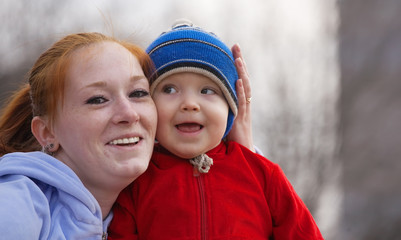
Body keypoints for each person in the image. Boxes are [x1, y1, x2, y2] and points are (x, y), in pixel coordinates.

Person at [108, 21, 323, 239]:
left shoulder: (262, 175)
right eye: (169, 89)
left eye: (207, 90)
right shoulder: (136, 181)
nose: (190, 103)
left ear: (231, 108)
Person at [0, 32, 157, 239]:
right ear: (47, 133)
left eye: (138, 93)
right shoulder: (17, 203)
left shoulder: (144, 211)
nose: (129, 114)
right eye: (98, 99)